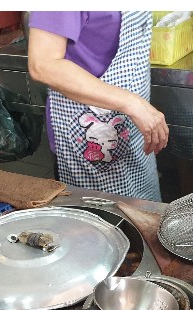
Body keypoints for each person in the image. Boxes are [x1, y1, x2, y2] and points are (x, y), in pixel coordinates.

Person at [28, 11, 168, 201]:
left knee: (143, 213)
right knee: (102, 222)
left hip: (134, 127)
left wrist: (138, 107)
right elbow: (43, 65)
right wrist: (131, 103)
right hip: (89, 130)